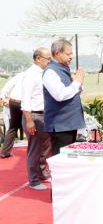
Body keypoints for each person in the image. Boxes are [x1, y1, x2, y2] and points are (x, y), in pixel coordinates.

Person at [42, 39, 85, 155]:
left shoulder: (63, 69)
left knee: (69, 158)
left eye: (72, 53)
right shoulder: (50, 71)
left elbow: (72, 93)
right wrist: (76, 82)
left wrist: (78, 83)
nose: (71, 57)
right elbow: (60, 95)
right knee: (61, 159)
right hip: (61, 125)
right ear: (57, 53)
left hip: (69, 123)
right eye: (68, 54)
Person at [22, 47, 52, 190]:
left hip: (45, 115)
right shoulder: (31, 75)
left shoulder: (44, 73)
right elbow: (25, 100)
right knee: (35, 149)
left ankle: (42, 172)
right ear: (38, 58)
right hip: (34, 115)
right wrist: (29, 120)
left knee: (46, 147)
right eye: (47, 59)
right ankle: (33, 180)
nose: (49, 61)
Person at [0, 72, 25, 158]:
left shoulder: (21, 74)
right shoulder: (39, 74)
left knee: (13, 127)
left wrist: (3, 97)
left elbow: (7, 86)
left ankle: (4, 152)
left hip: (13, 101)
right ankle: (36, 151)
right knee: (31, 125)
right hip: (24, 102)